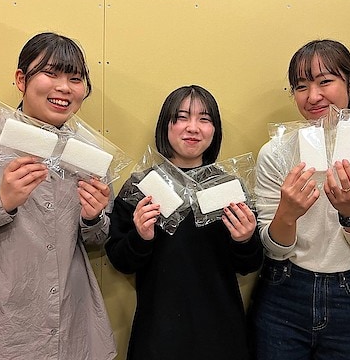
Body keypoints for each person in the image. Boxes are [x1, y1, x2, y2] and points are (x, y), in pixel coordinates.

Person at [0, 32, 117, 360]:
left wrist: (93, 218)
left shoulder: (89, 155)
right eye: (51, 73)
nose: (64, 87)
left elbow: (99, 239)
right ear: (21, 79)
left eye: (75, 79)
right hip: (2, 323)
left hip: (71, 319)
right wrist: (2, 201)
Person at [105, 85, 263, 360]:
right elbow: (120, 261)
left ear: (214, 130)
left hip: (221, 333)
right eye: (181, 117)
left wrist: (245, 240)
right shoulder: (143, 187)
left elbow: (250, 264)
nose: (193, 128)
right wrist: (140, 237)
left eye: (204, 119)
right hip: (157, 334)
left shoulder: (229, 188)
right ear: (165, 126)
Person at [248, 39, 350, 359]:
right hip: (282, 289)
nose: (313, 96)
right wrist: (288, 213)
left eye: (325, 81)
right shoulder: (277, 152)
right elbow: (274, 248)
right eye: (301, 86)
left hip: (348, 293)